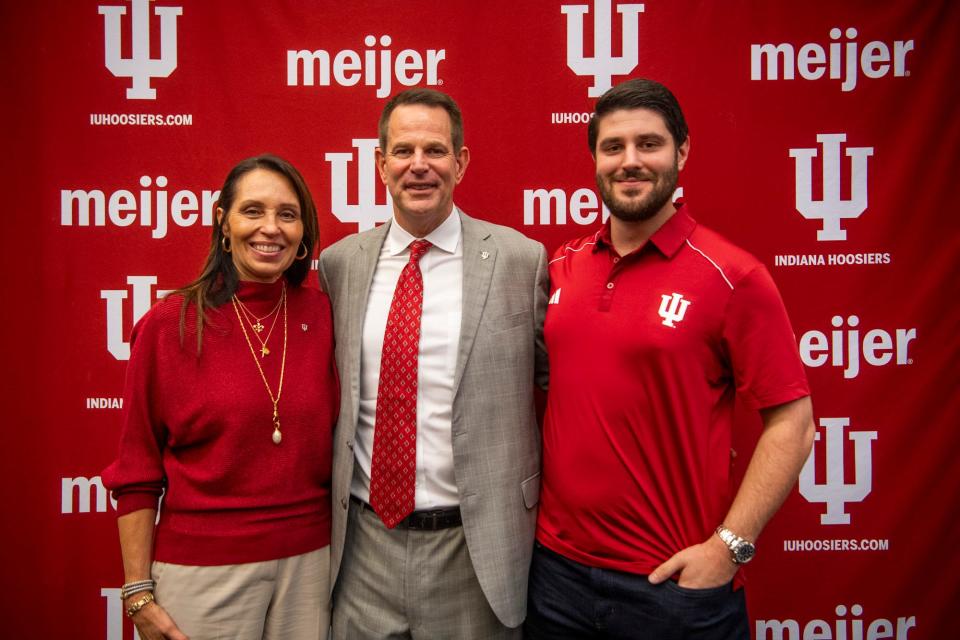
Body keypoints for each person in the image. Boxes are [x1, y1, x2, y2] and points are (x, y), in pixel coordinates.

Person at [526, 78, 816, 639]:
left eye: (649, 144)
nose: (630, 161)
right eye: (613, 147)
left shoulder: (734, 276)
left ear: (682, 151)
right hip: (554, 578)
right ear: (594, 159)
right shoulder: (563, 263)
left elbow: (794, 426)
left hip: (672, 593)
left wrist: (729, 549)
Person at [319, 88, 548, 638]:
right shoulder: (339, 266)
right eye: (402, 151)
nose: (418, 165)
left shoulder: (521, 260)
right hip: (363, 552)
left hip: (475, 551)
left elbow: (564, 386)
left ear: (460, 162)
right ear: (380, 164)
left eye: (436, 151)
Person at [102, 154, 338, 640]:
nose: (270, 228)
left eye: (287, 214)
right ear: (223, 224)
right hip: (204, 573)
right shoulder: (171, 324)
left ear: (304, 234)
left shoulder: (325, 315)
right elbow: (137, 470)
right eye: (252, 211)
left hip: (311, 568)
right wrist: (137, 590)